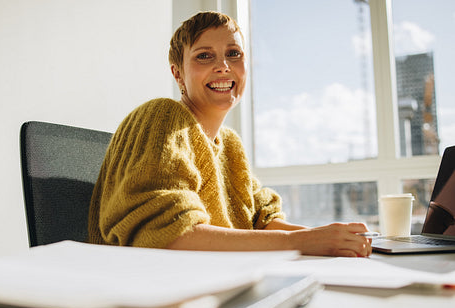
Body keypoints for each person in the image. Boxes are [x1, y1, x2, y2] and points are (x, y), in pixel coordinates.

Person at [88, 11, 372, 257]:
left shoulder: (231, 145)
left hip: (219, 286)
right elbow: (166, 236)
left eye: (233, 54)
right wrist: (300, 241)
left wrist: (335, 239)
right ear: (178, 74)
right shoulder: (162, 115)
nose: (223, 66)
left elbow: (261, 222)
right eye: (204, 56)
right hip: (145, 300)